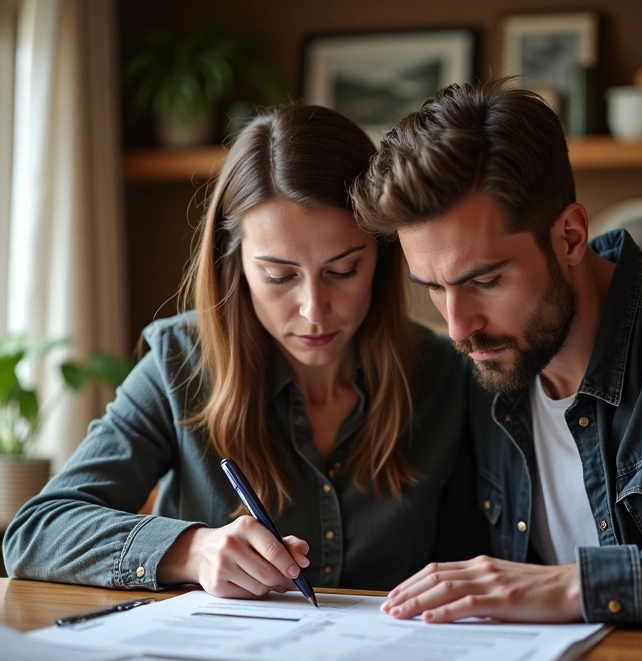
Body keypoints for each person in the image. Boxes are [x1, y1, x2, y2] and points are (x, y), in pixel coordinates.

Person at [3, 103, 488, 597]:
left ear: (383, 257)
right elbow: (36, 532)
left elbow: (479, 564)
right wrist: (192, 550)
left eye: (343, 271)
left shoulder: (447, 374)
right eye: (279, 276)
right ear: (236, 265)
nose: (314, 311)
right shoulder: (181, 363)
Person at [351, 78, 642, 631]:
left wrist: (577, 584)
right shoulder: (484, 370)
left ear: (570, 236)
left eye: (488, 280)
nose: (458, 327)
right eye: (432, 286)